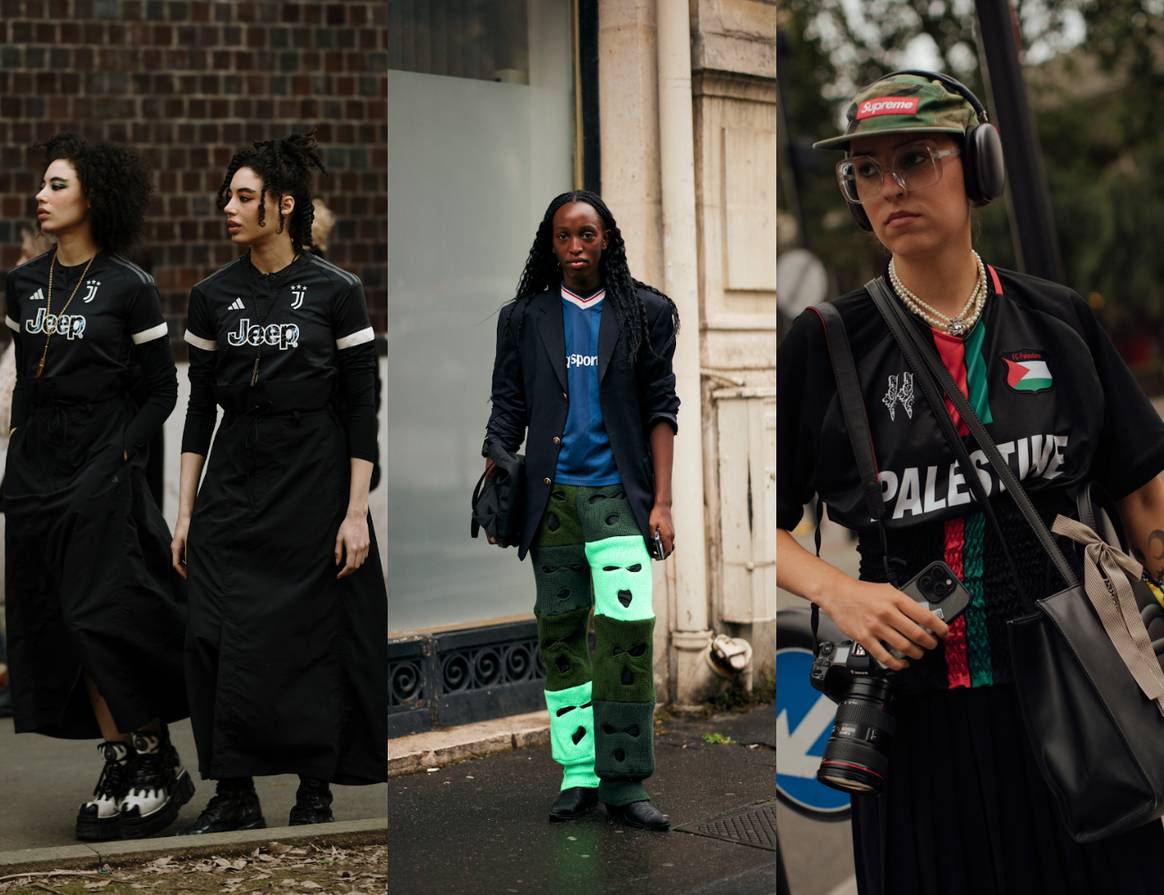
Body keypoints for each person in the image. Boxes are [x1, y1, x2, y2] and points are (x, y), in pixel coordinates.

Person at [776, 71, 1164, 893]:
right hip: (911, 729)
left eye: (916, 158)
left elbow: (1144, 500)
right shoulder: (825, 344)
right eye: (868, 170)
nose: (891, 186)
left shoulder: (1058, 321)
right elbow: (747, 526)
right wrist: (842, 595)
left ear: (979, 168)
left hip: (1077, 702)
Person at [172, 132, 387, 833]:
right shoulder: (212, 297)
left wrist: (356, 511)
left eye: (243, 196)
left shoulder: (337, 291)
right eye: (226, 196)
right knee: (211, 630)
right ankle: (233, 789)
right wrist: (183, 512)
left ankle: (313, 789)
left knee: (311, 636)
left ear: (283, 204)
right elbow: (199, 408)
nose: (227, 208)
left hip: (315, 475)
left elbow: (362, 406)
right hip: (235, 475)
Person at [3, 134, 190, 841]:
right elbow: (25, 377)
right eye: (42, 185)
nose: (41, 196)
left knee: (102, 614)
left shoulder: (129, 285)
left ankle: (153, 752)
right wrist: (20, 453)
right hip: (38, 468)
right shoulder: (24, 283)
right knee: (56, 621)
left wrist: (120, 455)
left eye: (56, 185)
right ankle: (119, 758)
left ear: (92, 198)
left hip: (102, 463)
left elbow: (162, 389)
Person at [483, 190, 679, 831]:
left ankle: (625, 781)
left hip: (620, 498)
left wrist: (664, 503)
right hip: (553, 503)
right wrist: (494, 469)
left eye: (587, 235)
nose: (576, 248)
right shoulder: (523, 318)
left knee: (627, 634)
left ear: (607, 240)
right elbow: (508, 405)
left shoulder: (647, 312)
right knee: (561, 633)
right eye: (564, 237)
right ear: (551, 244)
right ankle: (578, 774)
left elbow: (661, 409)